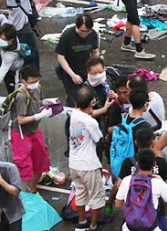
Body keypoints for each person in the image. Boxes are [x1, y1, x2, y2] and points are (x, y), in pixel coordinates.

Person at [9, 66, 52, 193]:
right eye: (32, 82)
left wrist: (47, 107)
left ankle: (32, 191)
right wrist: (38, 116)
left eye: (36, 81)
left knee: (41, 161)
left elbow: (38, 103)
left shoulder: (37, 88)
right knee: (24, 167)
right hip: (21, 134)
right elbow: (21, 120)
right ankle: (23, 194)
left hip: (34, 131)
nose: (35, 84)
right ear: (23, 82)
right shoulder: (21, 97)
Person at [69, 87, 106, 231]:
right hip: (89, 165)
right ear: (92, 102)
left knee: (80, 193)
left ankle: (82, 221)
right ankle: (93, 225)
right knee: (97, 197)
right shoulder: (91, 122)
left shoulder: (74, 114)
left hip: (74, 163)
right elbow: (98, 138)